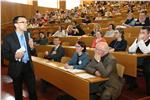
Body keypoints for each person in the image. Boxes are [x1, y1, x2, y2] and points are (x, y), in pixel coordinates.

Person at [3, 16, 37, 100]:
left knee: (33, 91)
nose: (26, 24)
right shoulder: (8, 38)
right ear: (16, 25)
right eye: (23, 22)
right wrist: (15, 56)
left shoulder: (27, 35)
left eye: (26, 22)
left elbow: (33, 52)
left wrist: (32, 47)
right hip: (16, 68)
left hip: (28, 67)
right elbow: (5, 54)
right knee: (18, 92)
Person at [128, 26, 150, 95]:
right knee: (128, 63)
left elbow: (146, 51)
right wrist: (137, 42)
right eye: (140, 32)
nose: (141, 34)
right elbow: (130, 50)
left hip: (148, 60)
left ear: (149, 34)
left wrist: (140, 41)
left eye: (143, 33)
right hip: (138, 59)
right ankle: (133, 83)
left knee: (148, 70)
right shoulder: (138, 39)